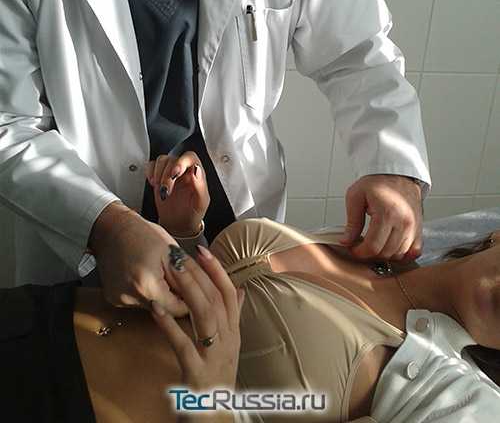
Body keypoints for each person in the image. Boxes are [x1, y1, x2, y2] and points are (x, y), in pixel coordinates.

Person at [0, 0, 431, 312]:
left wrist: (393, 167)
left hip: (242, 246)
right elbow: (9, 123)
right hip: (79, 247)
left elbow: (358, 55)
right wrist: (105, 226)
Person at [1, 167, 499, 422]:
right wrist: (185, 235)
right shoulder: (370, 246)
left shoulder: (461, 400)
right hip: (42, 318)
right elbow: (220, 314)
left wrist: (211, 403)